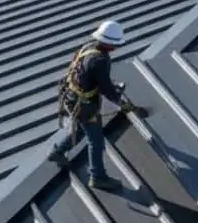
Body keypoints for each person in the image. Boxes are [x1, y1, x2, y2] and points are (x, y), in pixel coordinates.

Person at [48, 20, 139, 190]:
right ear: (111, 45)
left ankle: (58, 152)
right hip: (84, 105)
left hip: (72, 96)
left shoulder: (88, 47)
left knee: (82, 128)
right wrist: (121, 104)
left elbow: (88, 76)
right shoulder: (100, 60)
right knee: (95, 141)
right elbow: (106, 89)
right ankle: (97, 177)